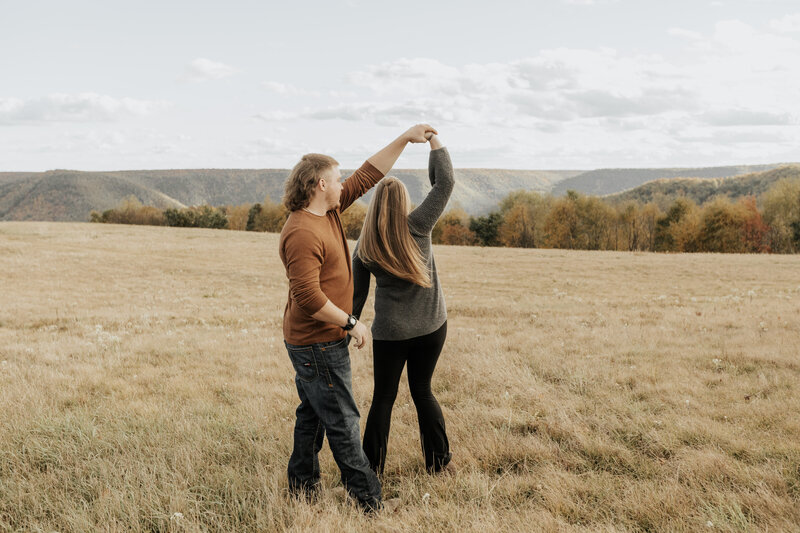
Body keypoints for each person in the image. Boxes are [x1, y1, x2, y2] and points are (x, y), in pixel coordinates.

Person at [278, 124, 437, 512]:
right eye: (336, 178)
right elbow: (308, 296)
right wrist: (352, 322)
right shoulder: (302, 231)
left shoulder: (328, 211)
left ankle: (301, 488)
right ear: (319, 184)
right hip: (316, 340)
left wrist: (404, 139)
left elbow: (368, 174)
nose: (342, 183)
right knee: (344, 421)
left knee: (313, 413)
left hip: (320, 339)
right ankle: (369, 501)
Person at [352, 132, 454, 476]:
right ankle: (439, 465)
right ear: (404, 203)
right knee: (423, 392)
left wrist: (349, 327)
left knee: (383, 399)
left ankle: (371, 471)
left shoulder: (365, 247)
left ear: (376, 204)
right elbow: (445, 184)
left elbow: (357, 297)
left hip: (390, 334)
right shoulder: (419, 225)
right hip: (430, 327)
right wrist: (435, 143)